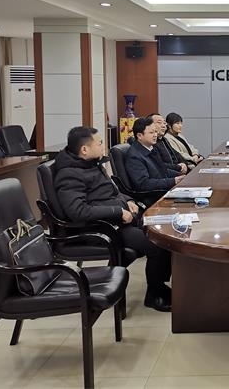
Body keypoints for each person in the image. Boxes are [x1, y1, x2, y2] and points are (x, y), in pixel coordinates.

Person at [53, 126, 172, 312]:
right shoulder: (69, 174)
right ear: (84, 149)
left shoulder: (91, 164)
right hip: (101, 229)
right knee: (157, 243)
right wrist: (117, 212)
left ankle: (162, 286)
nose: (103, 147)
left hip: (118, 222)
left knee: (165, 230)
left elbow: (112, 192)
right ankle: (154, 295)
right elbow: (78, 212)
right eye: (99, 143)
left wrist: (128, 200)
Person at [126, 116, 185, 193]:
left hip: (164, 189)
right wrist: (173, 181)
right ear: (139, 136)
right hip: (154, 195)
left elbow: (163, 170)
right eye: (151, 133)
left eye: (155, 132)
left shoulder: (151, 148)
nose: (155, 135)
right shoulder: (134, 156)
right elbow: (143, 184)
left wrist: (180, 176)